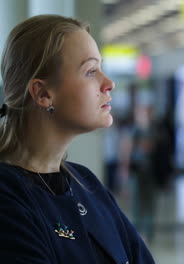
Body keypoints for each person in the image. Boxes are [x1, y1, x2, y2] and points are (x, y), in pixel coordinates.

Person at [0, 15, 155, 263]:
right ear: (43, 94)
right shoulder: (8, 197)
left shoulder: (85, 182)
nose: (109, 83)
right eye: (91, 71)